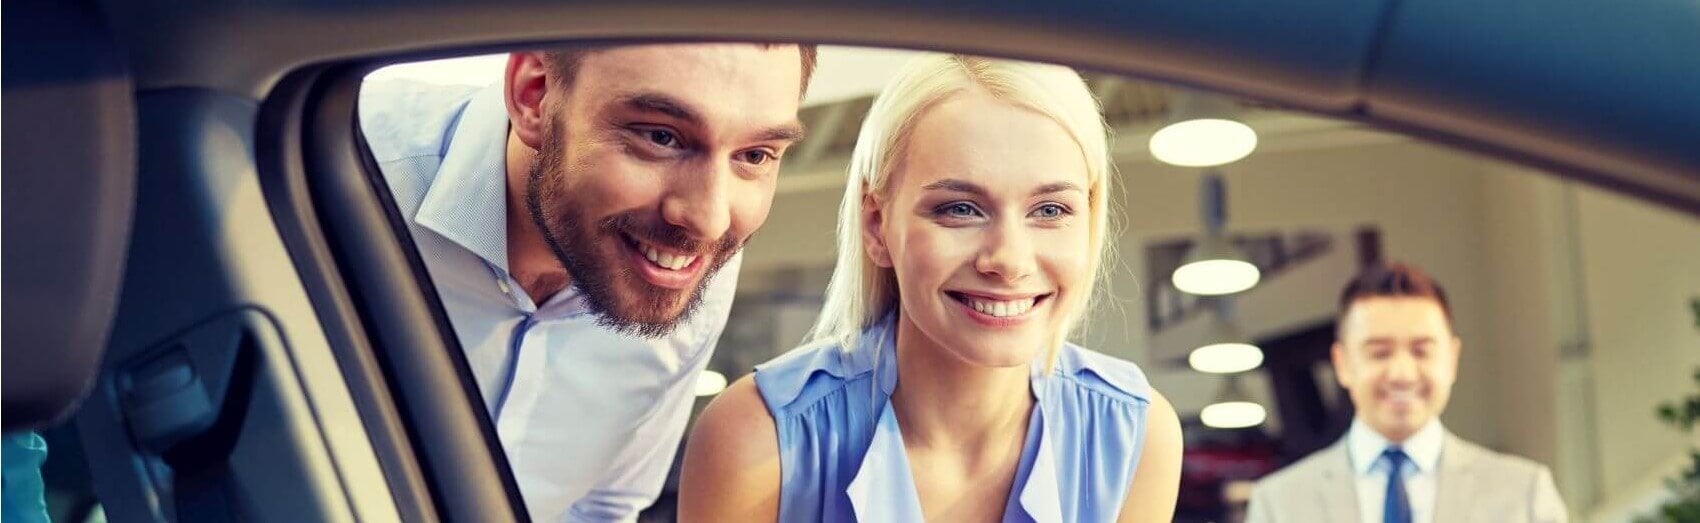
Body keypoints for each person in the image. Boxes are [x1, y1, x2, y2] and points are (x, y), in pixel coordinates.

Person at [678, 54, 1183, 522]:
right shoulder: (757, 438)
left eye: (1050, 210)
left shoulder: (1134, 436)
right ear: (877, 226)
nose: (1009, 261)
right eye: (960, 209)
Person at [358, 43, 816, 521]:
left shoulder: (684, 268)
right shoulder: (337, 169)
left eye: (755, 155)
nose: (709, 220)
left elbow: (603, 507)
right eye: (661, 137)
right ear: (534, 95)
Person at [1246, 263, 1567, 523]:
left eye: (1421, 350)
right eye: (1380, 352)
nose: (1402, 373)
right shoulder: (1279, 504)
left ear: (1451, 359)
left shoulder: (1523, 494)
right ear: (1342, 364)